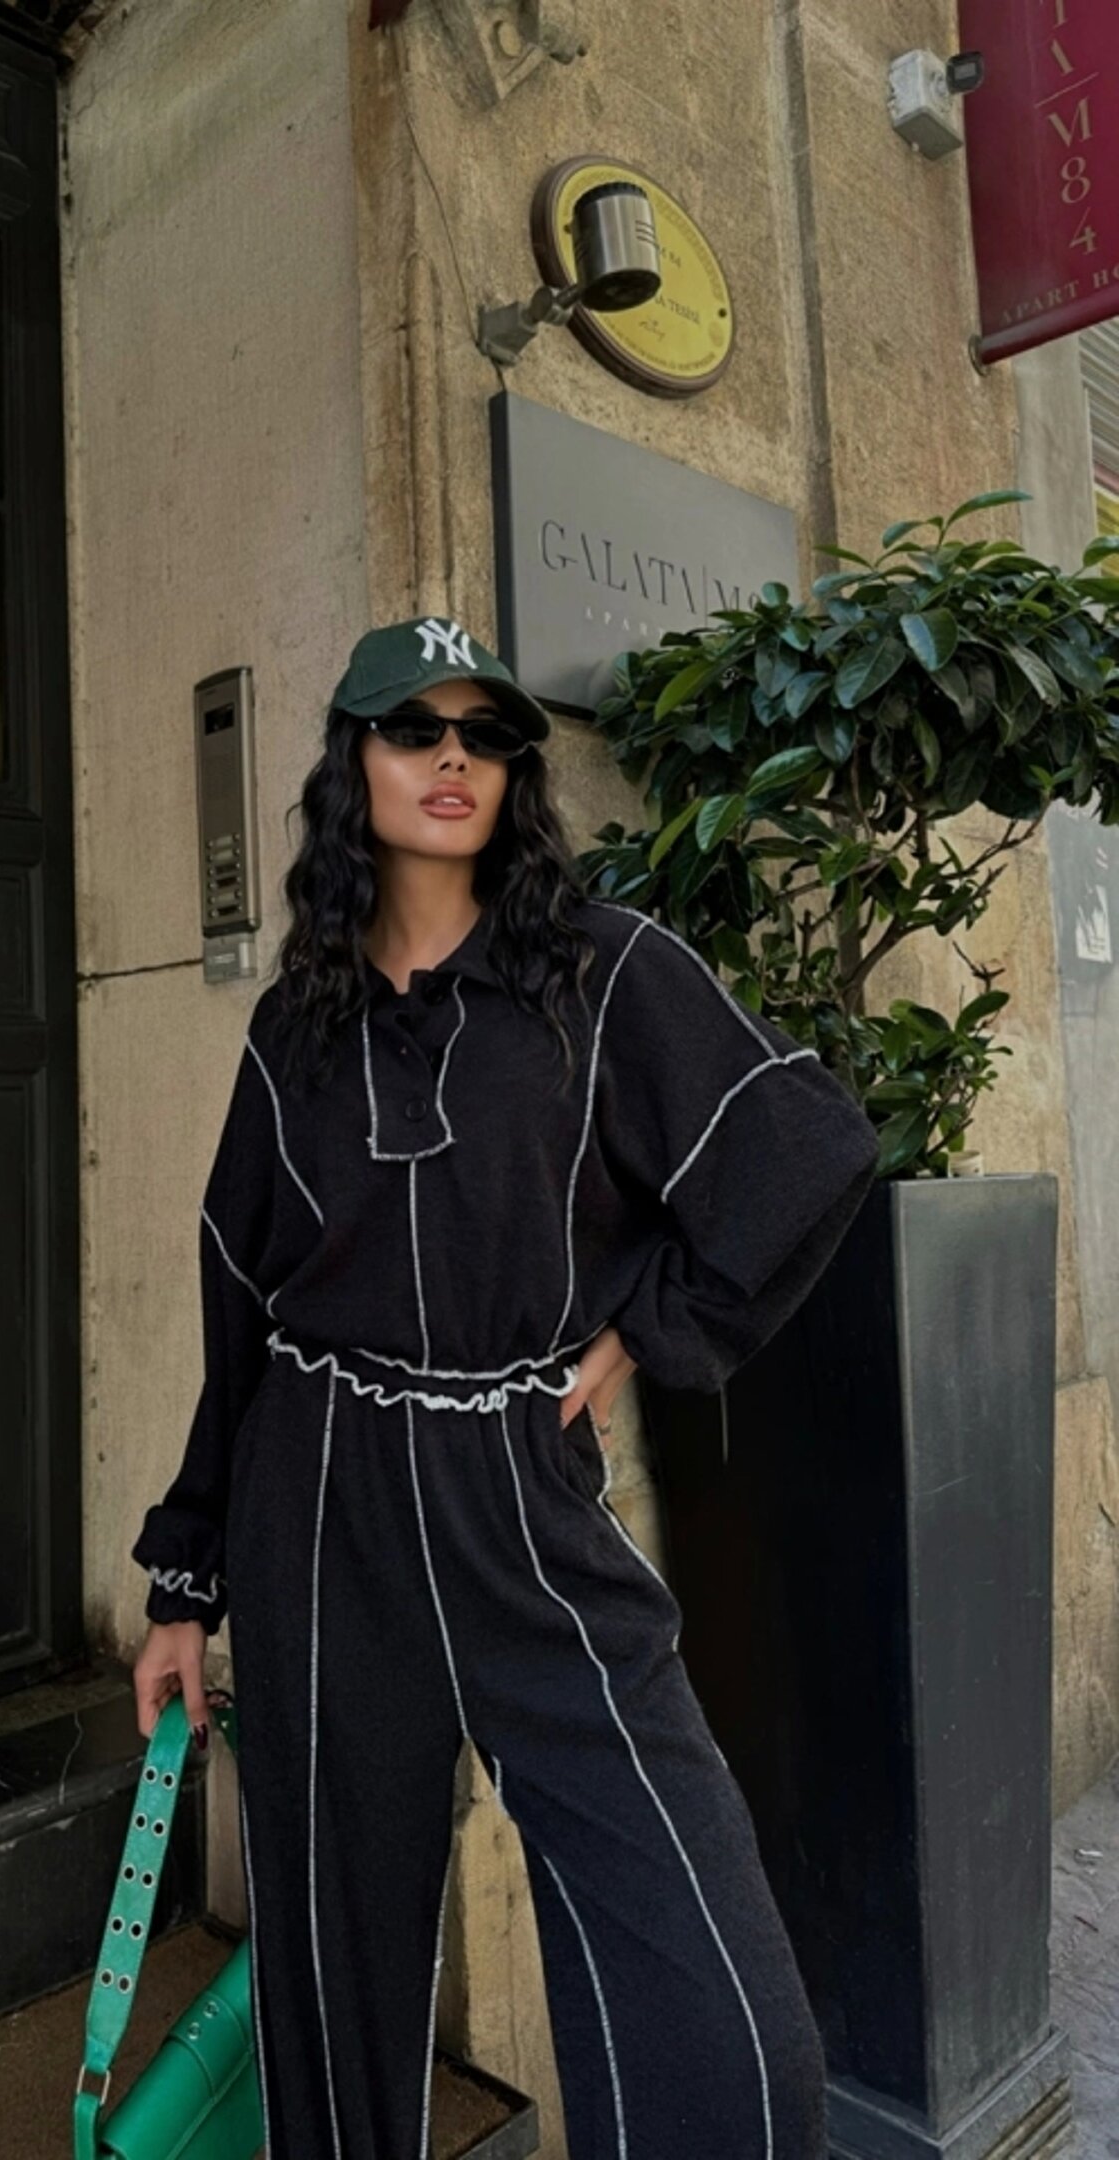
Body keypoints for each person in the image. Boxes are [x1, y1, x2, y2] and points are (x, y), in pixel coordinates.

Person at [129, 615, 880, 2160]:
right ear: (354, 763)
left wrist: (645, 1331)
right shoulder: (296, 1024)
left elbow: (803, 1147)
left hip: (521, 1498)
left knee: (731, 2029)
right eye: (415, 730)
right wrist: (184, 1585)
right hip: (321, 1507)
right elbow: (240, 1308)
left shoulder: (603, 971)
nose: (453, 758)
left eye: (484, 734)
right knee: (334, 1971)